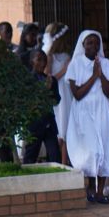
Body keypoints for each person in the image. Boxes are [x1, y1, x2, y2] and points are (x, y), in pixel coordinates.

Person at [65, 30, 109, 204]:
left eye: (96, 43)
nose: (94, 46)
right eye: (90, 43)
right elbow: (77, 94)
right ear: (83, 45)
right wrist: (94, 76)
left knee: (104, 148)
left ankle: (100, 191)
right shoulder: (75, 63)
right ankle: (90, 187)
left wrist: (101, 74)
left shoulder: (106, 63)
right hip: (83, 112)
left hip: (102, 110)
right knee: (91, 150)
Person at [43, 23, 75, 165]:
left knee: (67, 125)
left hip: (68, 91)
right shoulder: (50, 56)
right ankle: (60, 161)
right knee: (60, 125)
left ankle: (65, 160)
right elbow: (48, 78)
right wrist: (65, 69)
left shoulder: (67, 55)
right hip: (58, 91)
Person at [23, 49, 61, 165]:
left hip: (49, 124)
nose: (42, 63)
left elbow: (56, 100)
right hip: (34, 125)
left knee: (55, 156)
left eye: (44, 60)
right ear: (31, 61)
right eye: (39, 60)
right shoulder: (27, 80)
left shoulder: (51, 80)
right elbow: (28, 100)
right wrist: (44, 90)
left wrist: (50, 90)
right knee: (30, 157)